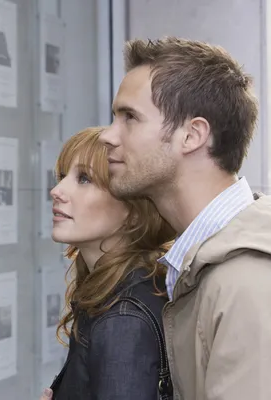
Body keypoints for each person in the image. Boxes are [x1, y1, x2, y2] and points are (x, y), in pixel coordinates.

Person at [98, 36, 271, 399]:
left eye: (129, 117)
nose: (107, 136)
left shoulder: (244, 282)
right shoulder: (202, 262)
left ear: (192, 135)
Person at [43, 126, 176, 400]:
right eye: (62, 176)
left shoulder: (123, 319)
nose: (56, 190)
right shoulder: (121, 289)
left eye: (84, 179)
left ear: (135, 213)